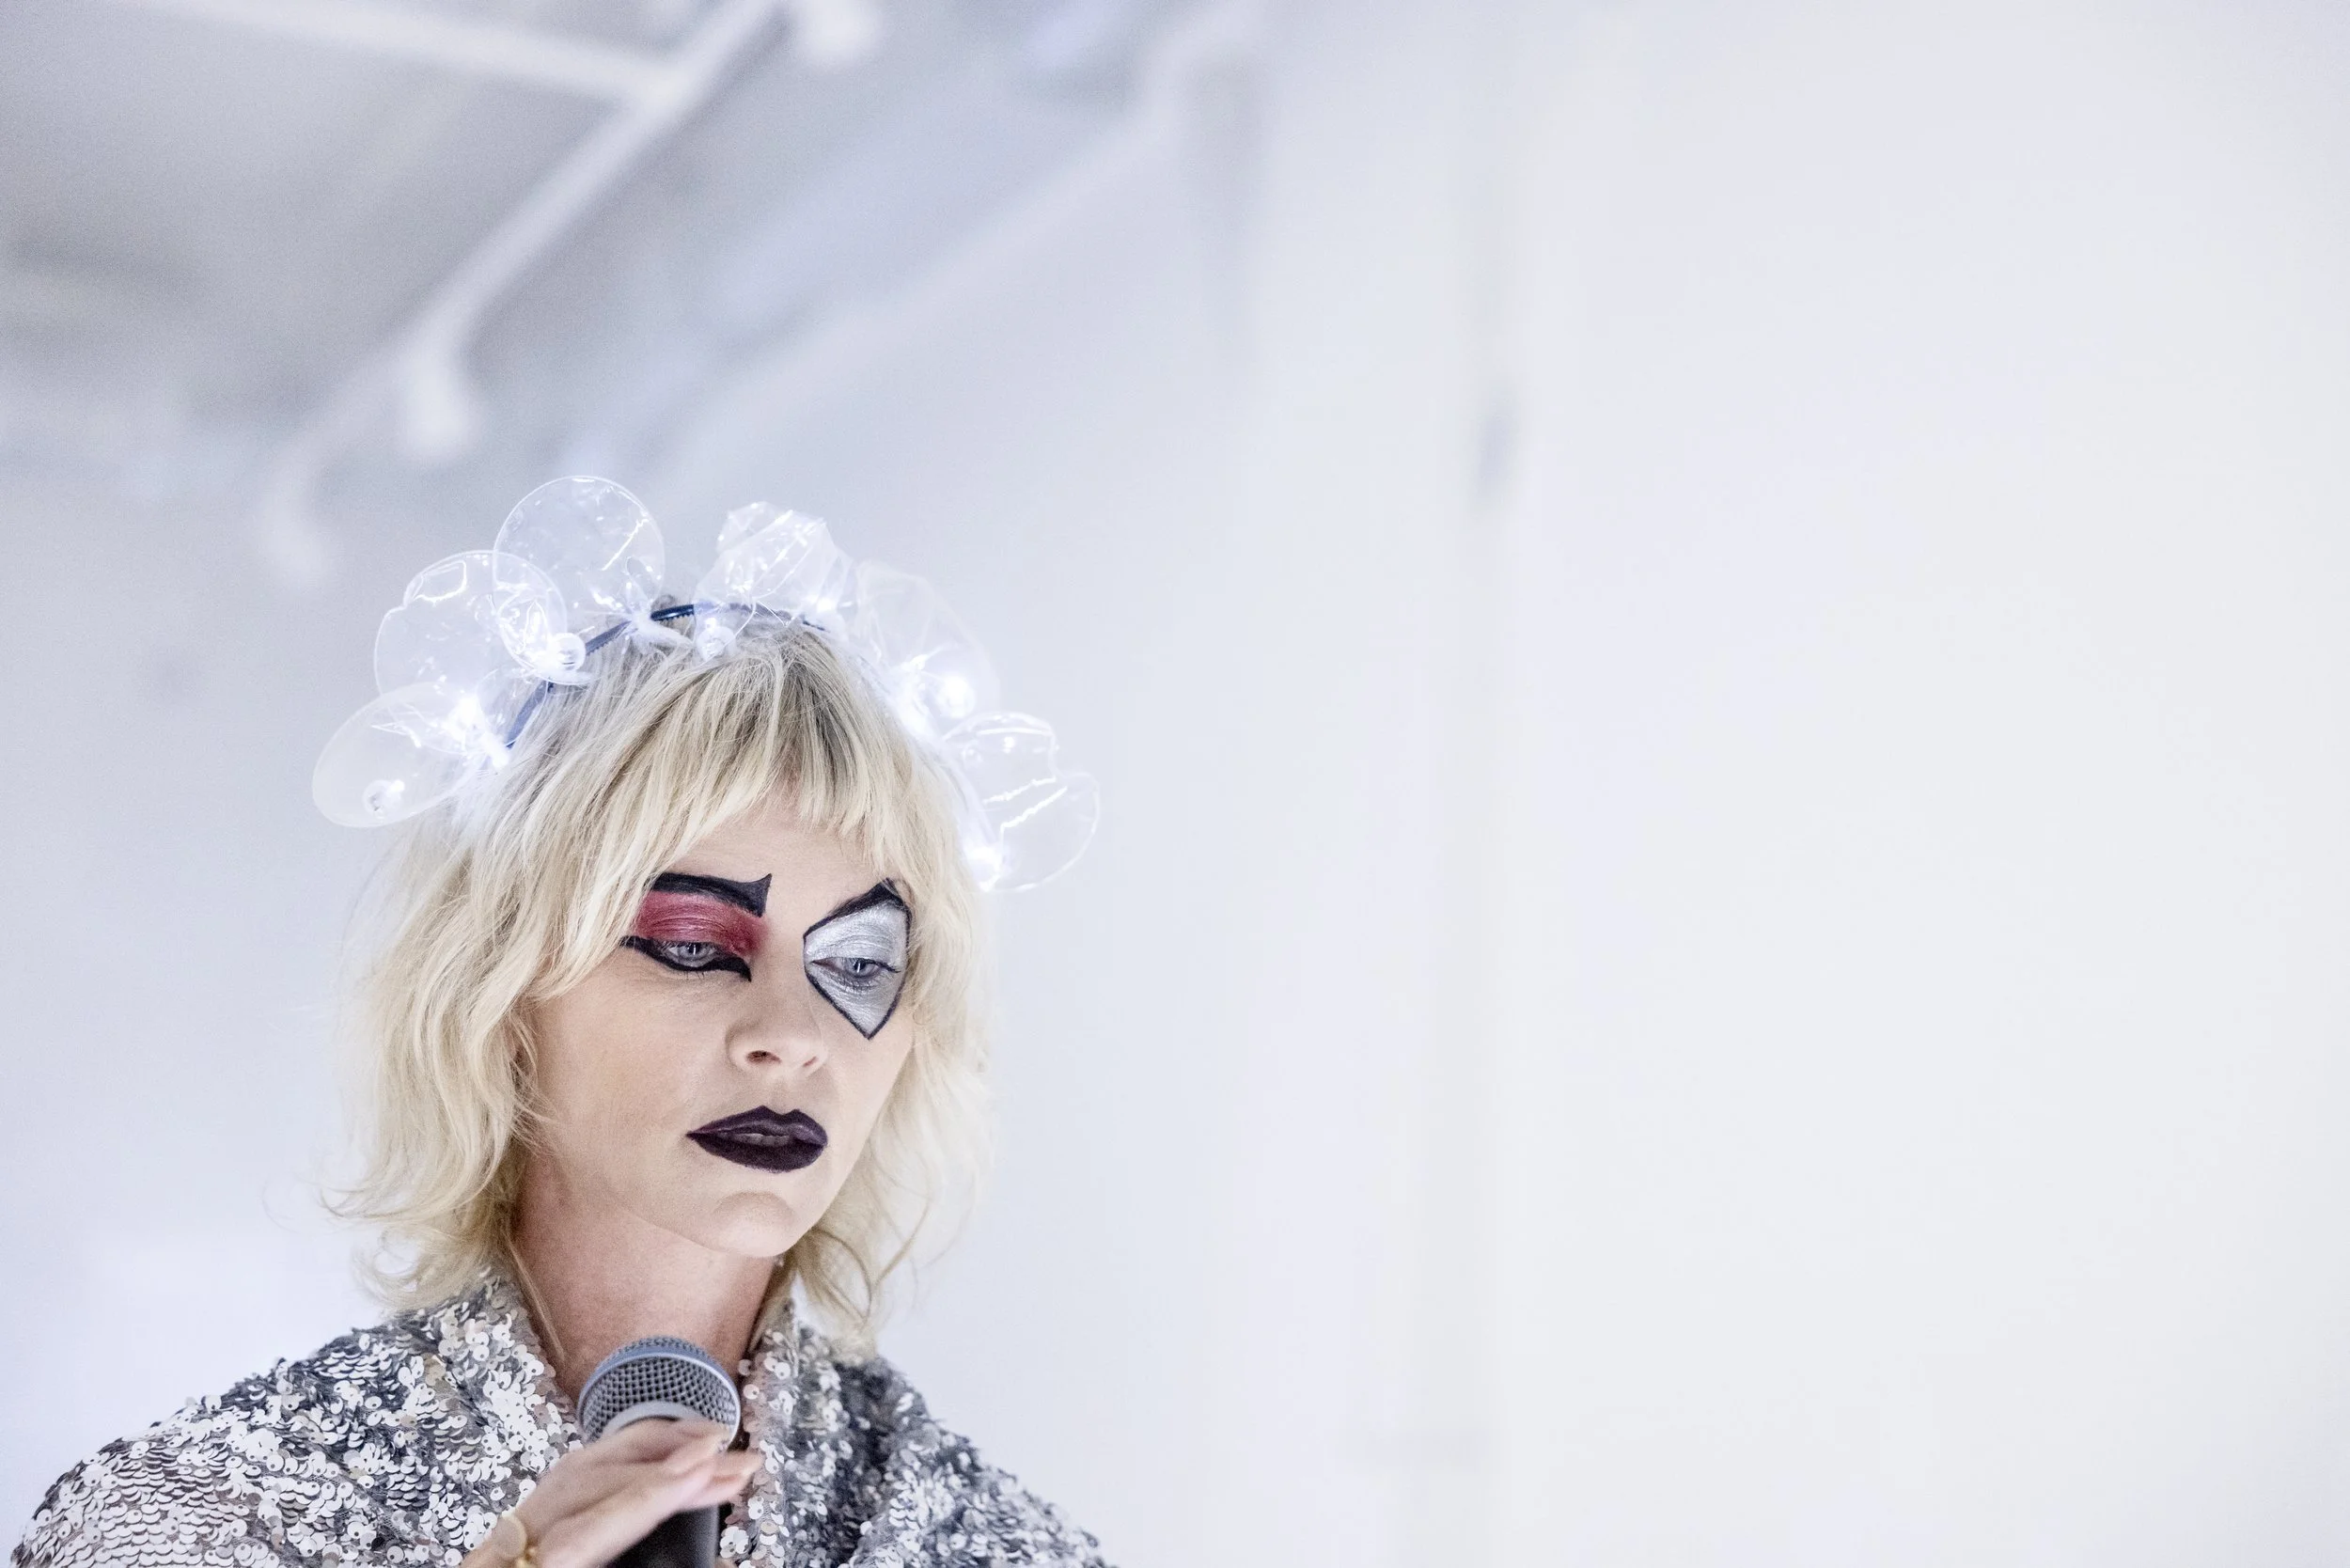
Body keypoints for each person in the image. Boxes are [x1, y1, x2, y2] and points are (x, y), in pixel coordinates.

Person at [12, 480, 1105, 1568]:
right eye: (693, 946)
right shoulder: (194, 1523)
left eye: (859, 965)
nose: (791, 1033)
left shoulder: (1006, 1552)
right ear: (502, 987)